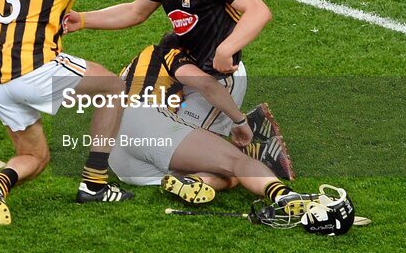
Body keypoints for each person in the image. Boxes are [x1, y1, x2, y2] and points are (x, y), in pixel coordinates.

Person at [0, 0, 207, 226]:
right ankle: (95, 183)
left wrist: (75, 19)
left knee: (34, 157)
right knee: (113, 86)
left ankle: (0, 181)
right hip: (33, 68)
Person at [64, 0, 291, 176]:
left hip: (219, 79)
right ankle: (244, 131)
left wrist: (226, 48)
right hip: (184, 68)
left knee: (173, 149)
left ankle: (253, 148)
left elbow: (259, 10)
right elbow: (135, 12)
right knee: (148, 136)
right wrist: (84, 19)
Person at [106, 42, 303, 212]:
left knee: (226, 174)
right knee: (235, 163)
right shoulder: (174, 55)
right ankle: (285, 195)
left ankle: (197, 182)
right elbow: (207, 86)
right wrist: (240, 121)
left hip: (118, 160)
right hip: (145, 122)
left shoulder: (137, 63)